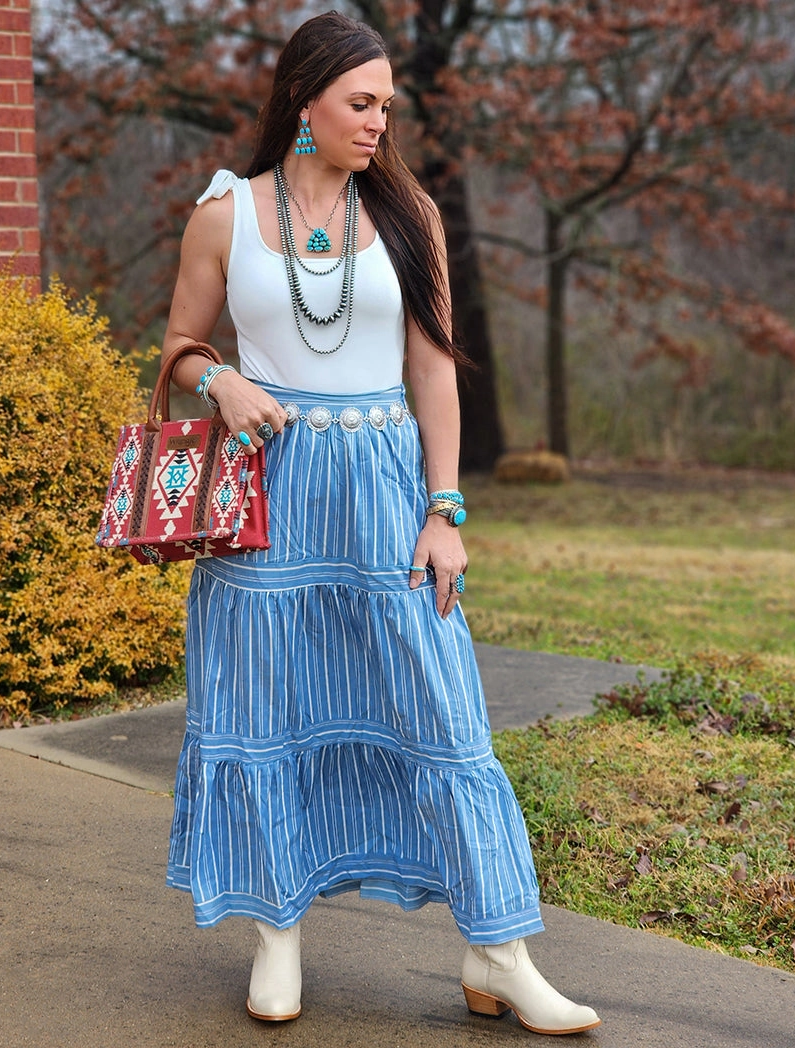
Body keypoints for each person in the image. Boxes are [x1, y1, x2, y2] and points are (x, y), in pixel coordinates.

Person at [159, 11, 600, 1037]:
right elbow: (178, 344)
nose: (377, 123)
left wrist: (445, 509)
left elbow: (433, 370)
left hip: (387, 490)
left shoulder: (408, 214)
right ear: (303, 100)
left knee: (442, 717)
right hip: (270, 496)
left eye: (386, 106)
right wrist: (218, 379)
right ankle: (276, 934)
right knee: (268, 712)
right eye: (360, 103)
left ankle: (498, 953)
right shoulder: (224, 215)